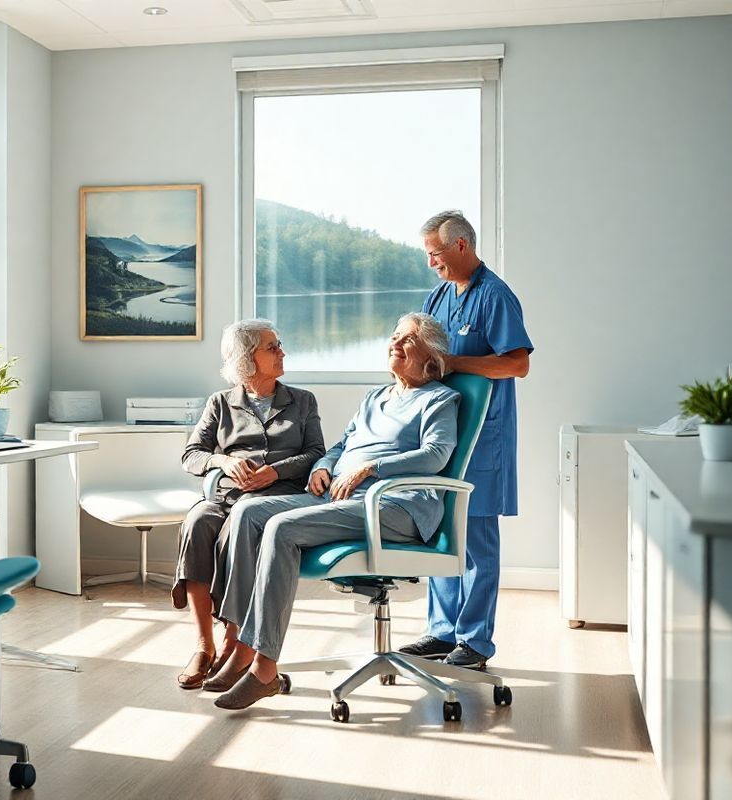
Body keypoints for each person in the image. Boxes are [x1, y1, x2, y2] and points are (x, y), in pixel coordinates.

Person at [208, 313, 459, 710]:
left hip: (392, 507)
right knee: (248, 513)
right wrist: (324, 465)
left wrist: (370, 469)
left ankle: (264, 669)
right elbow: (342, 444)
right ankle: (241, 645)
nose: (394, 343)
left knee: (281, 528)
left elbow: (436, 455)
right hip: (342, 498)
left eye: (407, 339)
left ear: (430, 354)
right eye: (393, 335)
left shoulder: (439, 399)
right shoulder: (376, 397)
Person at [396, 210, 533, 671]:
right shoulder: (438, 295)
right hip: (441, 433)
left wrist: (457, 364)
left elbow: (516, 364)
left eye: (434, 254)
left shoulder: (496, 296)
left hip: (483, 436)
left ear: (460, 246)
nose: (430, 263)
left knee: (475, 538)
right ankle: (441, 632)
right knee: (440, 528)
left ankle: (474, 642)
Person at [173, 319, 324, 690]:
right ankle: (204, 645)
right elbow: (191, 455)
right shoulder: (220, 403)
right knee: (197, 523)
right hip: (226, 496)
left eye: (279, 345)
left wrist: (274, 472)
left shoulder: (302, 401)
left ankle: (234, 642)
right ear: (247, 358)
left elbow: (316, 454)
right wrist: (223, 461)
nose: (282, 352)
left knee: (242, 520)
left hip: (275, 498)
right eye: (272, 347)